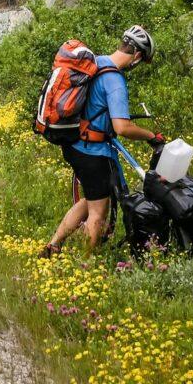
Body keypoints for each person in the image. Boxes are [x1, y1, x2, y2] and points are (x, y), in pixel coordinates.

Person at [40, 25, 163, 257]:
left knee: (91, 199)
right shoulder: (115, 80)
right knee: (98, 212)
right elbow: (122, 127)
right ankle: (86, 264)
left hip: (74, 144)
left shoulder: (97, 62)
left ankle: (54, 245)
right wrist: (151, 136)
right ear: (137, 56)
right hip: (93, 153)